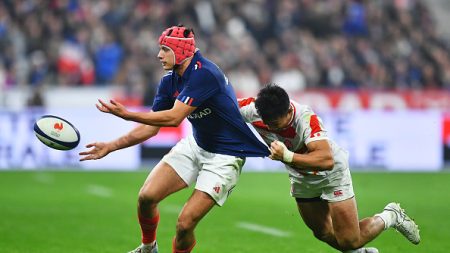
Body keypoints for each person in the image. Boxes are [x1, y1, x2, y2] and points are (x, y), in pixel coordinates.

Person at [79, 25, 269, 253]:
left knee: (184, 224)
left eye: (165, 49)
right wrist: (112, 146)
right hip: (198, 145)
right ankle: (148, 248)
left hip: (225, 156)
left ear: (180, 51)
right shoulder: (169, 82)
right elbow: (152, 127)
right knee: (147, 197)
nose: (159, 55)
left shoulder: (205, 74)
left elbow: (174, 118)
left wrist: (127, 113)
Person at [238, 84, 420, 253]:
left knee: (349, 241)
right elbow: (223, 104)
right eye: (266, 123)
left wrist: (287, 156)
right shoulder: (254, 109)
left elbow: (326, 160)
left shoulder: (306, 118)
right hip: (301, 176)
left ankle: (390, 215)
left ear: (288, 111)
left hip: (331, 175)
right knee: (322, 232)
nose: (270, 128)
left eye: (275, 124)